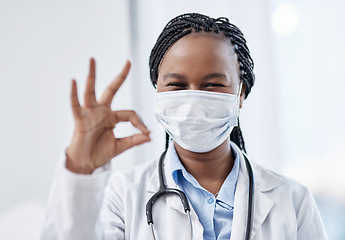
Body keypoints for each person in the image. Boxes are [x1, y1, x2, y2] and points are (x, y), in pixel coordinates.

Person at [41, 13, 328, 240]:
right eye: (177, 85)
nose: (193, 99)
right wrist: (80, 168)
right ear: (158, 93)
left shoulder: (292, 200)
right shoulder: (122, 194)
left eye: (212, 85)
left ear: (240, 94)